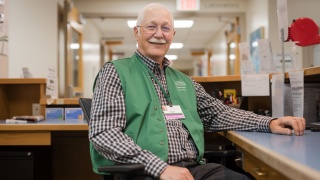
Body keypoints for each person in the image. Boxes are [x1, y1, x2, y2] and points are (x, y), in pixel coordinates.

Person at [89, 3, 305, 180]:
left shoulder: (184, 81)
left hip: (192, 170)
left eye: (165, 28)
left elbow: (220, 113)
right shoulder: (115, 72)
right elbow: (104, 134)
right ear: (136, 32)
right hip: (143, 172)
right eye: (151, 27)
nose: (159, 34)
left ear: (172, 34)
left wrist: (268, 123)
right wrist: (160, 168)